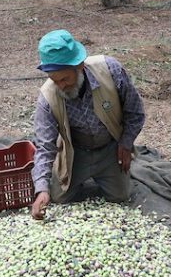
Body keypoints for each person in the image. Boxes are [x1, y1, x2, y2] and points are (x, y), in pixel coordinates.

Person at [29, 29, 146, 220]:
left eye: (65, 78)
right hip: (77, 153)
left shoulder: (111, 71)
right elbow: (44, 146)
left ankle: (105, 173)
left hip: (110, 147)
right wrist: (41, 189)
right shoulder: (48, 97)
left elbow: (135, 112)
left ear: (79, 66)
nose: (61, 86)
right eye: (54, 80)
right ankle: (82, 175)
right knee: (58, 197)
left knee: (121, 196)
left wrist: (125, 144)